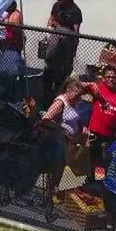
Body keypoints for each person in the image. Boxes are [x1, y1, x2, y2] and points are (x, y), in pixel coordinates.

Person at [37, 77, 85, 209]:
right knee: (56, 169)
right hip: (58, 140)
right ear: (68, 90)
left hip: (70, 141)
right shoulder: (60, 102)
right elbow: (46, 119)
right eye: (77, 95)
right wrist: (63, 131)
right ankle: (48, 196)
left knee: (63, 168)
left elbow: (76, 118)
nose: (79, 98)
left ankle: (54, 191)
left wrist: (82, 128)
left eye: (80, 95)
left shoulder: (75, 101)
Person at [85, 66, 116, 180]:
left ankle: (107, 180)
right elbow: (79, 86)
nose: (110, 79)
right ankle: (90, 179)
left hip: (109, 133)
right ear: (103, 78)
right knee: (91, 155)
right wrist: (92, 84)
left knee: (107, 158)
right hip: (94, 130)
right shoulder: (99, 88)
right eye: (108, 77)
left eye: (113, 77)